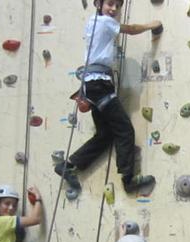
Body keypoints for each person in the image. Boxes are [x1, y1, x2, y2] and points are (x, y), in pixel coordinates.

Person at [54, 0, 162, 195]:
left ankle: (70, 165)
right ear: (98, 4)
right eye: (110, 4)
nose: (114, 9)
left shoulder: (93, 22)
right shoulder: (104, 22)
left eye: (118, 6)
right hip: (99, 83)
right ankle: (128, 179)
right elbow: (130, 29)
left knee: (105, 134)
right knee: (124, 129)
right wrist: (150, 25)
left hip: (93, 84)